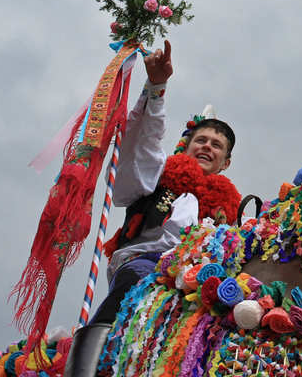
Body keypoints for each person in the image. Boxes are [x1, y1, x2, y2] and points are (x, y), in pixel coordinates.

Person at [63, 40, 239, 377]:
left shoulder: (231, 210)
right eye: (201, 140)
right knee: (133, 288)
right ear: (185, 147)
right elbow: (145, 141)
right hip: (146, 264)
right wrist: (156, 88)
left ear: (225, 163)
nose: (207, 146)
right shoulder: (156, 175)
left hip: (200, 284)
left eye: (216, 145)